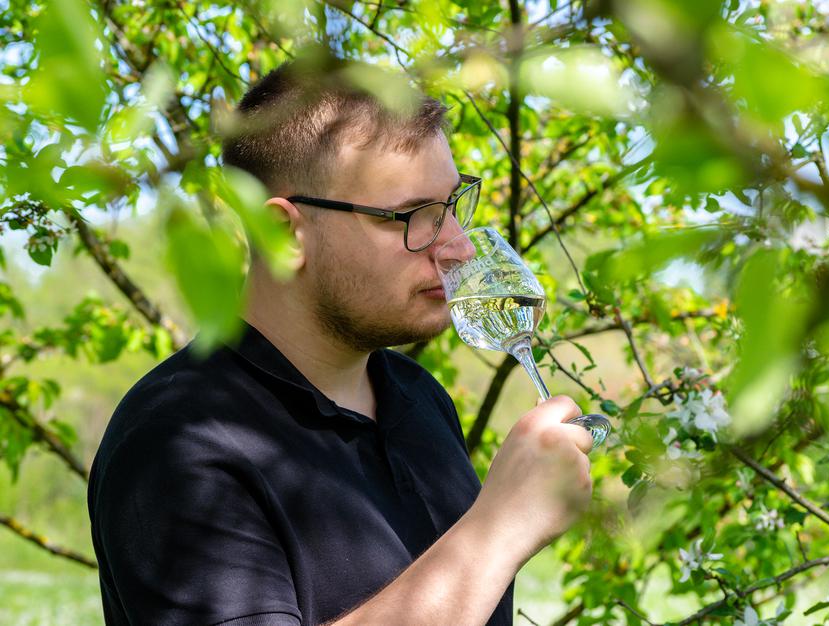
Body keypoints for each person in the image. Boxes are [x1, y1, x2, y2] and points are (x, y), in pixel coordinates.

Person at [87, 59, 594, 626]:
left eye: (452, 206)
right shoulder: (179, 441)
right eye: (409, 215)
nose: (458, 247)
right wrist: (498, 528)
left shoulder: (419, 399)